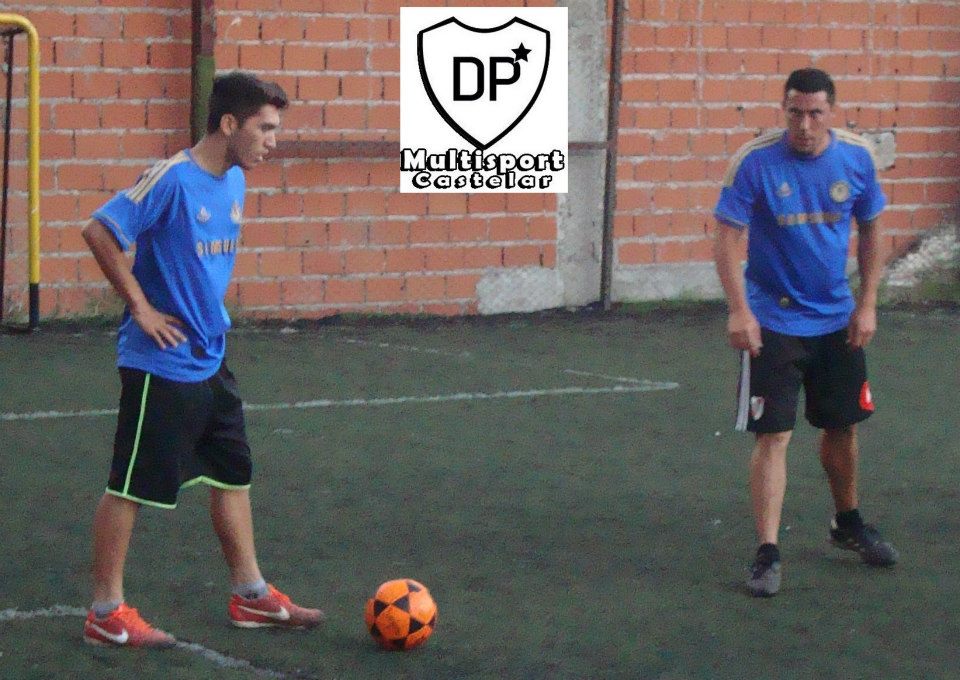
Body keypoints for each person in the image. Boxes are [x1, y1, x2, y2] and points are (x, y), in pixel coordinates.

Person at [81, 71, 323, 647]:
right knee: (131, 485)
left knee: (232, 474)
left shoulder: (235, 180)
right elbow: (99, 230)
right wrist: (140, 307)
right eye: (264, 129)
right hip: (160, 362)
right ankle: (105, 612)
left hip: (212, 358)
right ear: (229, 123)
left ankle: (250, 595)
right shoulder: (172, 179)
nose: (272, 142)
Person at [713, 68, 899, 597]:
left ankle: (848, 523)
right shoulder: (754, 161)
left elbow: (873, 229)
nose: (804, 124)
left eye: (815, 113)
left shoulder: (856, 158)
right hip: (773, 320)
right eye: (794, 112)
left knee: (842, 427)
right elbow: (727, 237)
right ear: (784, 110)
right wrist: (739, 311)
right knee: (774, 435)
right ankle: (767, 552)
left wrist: (867, 304)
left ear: (831, 113)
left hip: (836, 318)